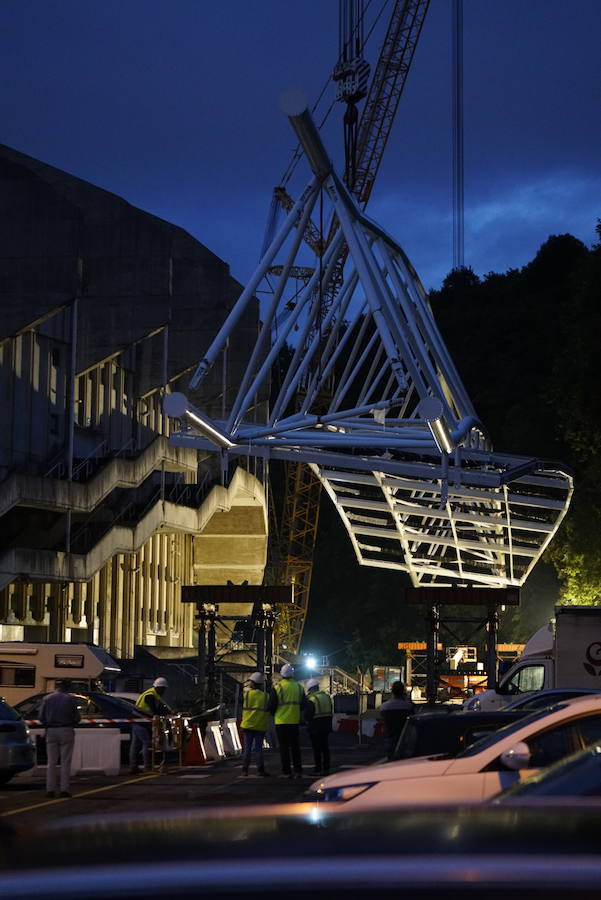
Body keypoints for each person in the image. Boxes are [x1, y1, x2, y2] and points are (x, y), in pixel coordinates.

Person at [40, 679, 81, 798]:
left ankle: (50, 789)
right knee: (65, 762)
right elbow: (77, 718)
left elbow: (41, 717)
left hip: (51, 730)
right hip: (66, 729)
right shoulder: (70, 699)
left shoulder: (47, 699)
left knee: (51, 762)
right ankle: (64, 789)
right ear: (67, 687)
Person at [268, 663, 305, 778]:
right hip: (294, 721)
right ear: (292, 674)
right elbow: (303, 704)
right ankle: (298, 770)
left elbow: (271, 705)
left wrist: (276, 714)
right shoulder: (299, 687)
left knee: (284, 748)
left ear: (281, 675)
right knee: (295, 747)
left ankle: (286, 771)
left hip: (281, 722)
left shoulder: (277, 687)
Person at [129, 677, 171, 774]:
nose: (164, 691)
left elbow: (160, 707)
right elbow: (154, 710)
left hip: (137, 721)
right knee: (146, 743)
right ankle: (147, 767)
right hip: (141, 723)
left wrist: (167, 712)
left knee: (135, 745)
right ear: (159, 688)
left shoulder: (152, 694)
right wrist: (165, 714)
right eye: (163, 689)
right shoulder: (150, 695)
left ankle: (133, 767)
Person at [240, 671, 270, 777]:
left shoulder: (246, 694)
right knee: (258, 749)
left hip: (248, 724)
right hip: (260, 725)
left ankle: (245, 770)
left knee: (247, 748)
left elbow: (244, 689)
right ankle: (260, 770)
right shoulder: (266, 696)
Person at [303, 677, 333, 776]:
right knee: (325, 748)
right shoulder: (327, 697)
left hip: (315, 726)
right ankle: (326, 768)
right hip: (326, 725)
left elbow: (308, 714)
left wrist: (306, 722)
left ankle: (318, 769)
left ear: (311, 689)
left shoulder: (312, 699)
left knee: (317, 749)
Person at [378, 680, 415, 760]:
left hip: (390, 739)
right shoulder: (408, 706)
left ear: (392, 691)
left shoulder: (384, 707)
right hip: (405, 740)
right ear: (403, 692)